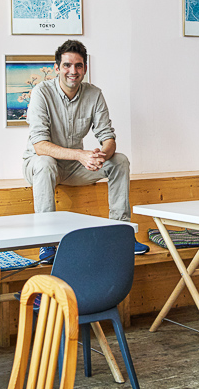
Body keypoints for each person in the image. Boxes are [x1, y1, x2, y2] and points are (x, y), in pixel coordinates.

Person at [22, 39, 145, 261]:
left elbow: (108, 137)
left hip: (74, 168)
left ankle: (119, 235)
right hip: (40, 167)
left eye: (78, 65)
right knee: (45, 162)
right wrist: (81, 155)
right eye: (67, 65)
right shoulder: (41, 92)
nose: (73, 71)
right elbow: (40, 146)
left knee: (120, 160)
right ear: (57, 68)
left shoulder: (94, 94)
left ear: (85, 69)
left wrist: (101, 155)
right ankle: (47, 241)